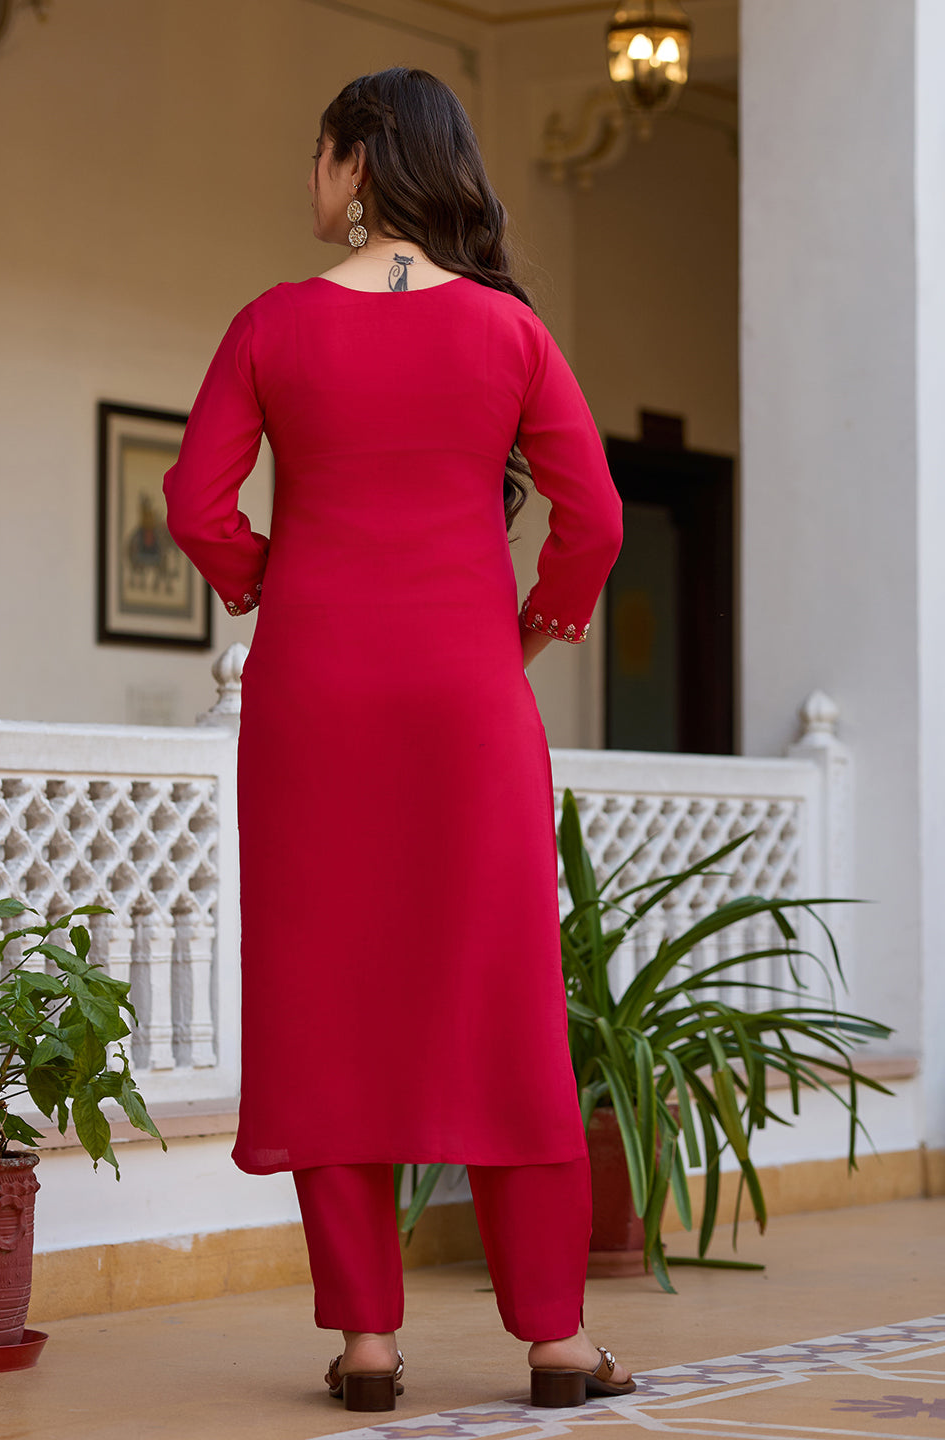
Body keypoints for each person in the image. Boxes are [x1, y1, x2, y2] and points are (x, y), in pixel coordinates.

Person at [163, 66, 631, 1414]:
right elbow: (591, 516)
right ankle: (554, 1342)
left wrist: (272, 581)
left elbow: (198, 505)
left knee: (329, 1002)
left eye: (317, 156)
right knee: (505, 1002)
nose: (309, 182)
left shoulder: (270, 326)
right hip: (469, 700)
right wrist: (536, 626)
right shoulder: (507, 334)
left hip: (314, 701)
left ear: (358, 161)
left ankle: (367, 1344)